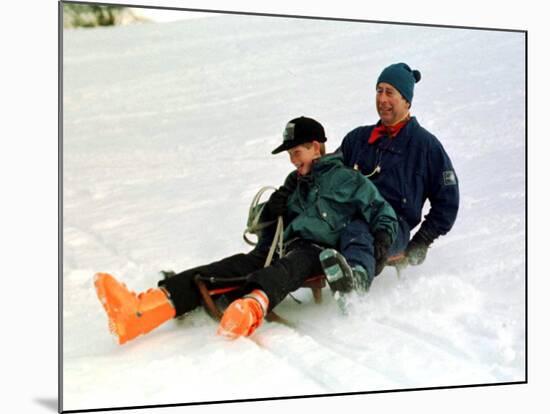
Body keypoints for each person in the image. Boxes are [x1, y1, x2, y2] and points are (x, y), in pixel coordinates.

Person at [94, 116, 398, 345]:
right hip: (277, 248)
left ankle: (251, 309)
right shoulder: (295, 183)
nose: (293, 160)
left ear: (316, 147)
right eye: (290, 155)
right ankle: (141, 311)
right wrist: (274, 205)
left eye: (297, 152)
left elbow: (382, 213)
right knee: (221, 269)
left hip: (319, 251)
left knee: (292, 265)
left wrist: (381, 244)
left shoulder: (347, 180)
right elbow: (260, 224)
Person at [337, 62, 460, 278]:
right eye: (379, 91)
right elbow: (330, 173)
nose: (382, 99)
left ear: (406, 100)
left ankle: (354, 284)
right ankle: (265, 288)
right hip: (347, 218)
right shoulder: (357, 139)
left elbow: (447, 202)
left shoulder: (426, 147)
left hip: (392, 228)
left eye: (389, 92)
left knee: (358, 232)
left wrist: (422, 240)